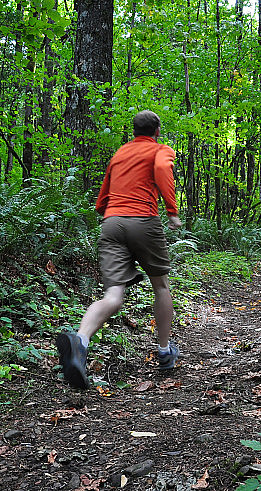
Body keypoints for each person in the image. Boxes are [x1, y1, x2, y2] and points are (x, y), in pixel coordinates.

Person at [56, 110, 183, 390]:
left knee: (113, 295)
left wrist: (106, 211)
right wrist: (172, 211)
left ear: (134, 131)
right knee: (161, 286)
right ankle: (164, 351)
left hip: (111, 222)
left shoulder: (119, 154)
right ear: (157, 131)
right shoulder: (161, 150)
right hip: (143, 220)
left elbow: (105, 191)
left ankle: (80, 342)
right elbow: (162, 170)